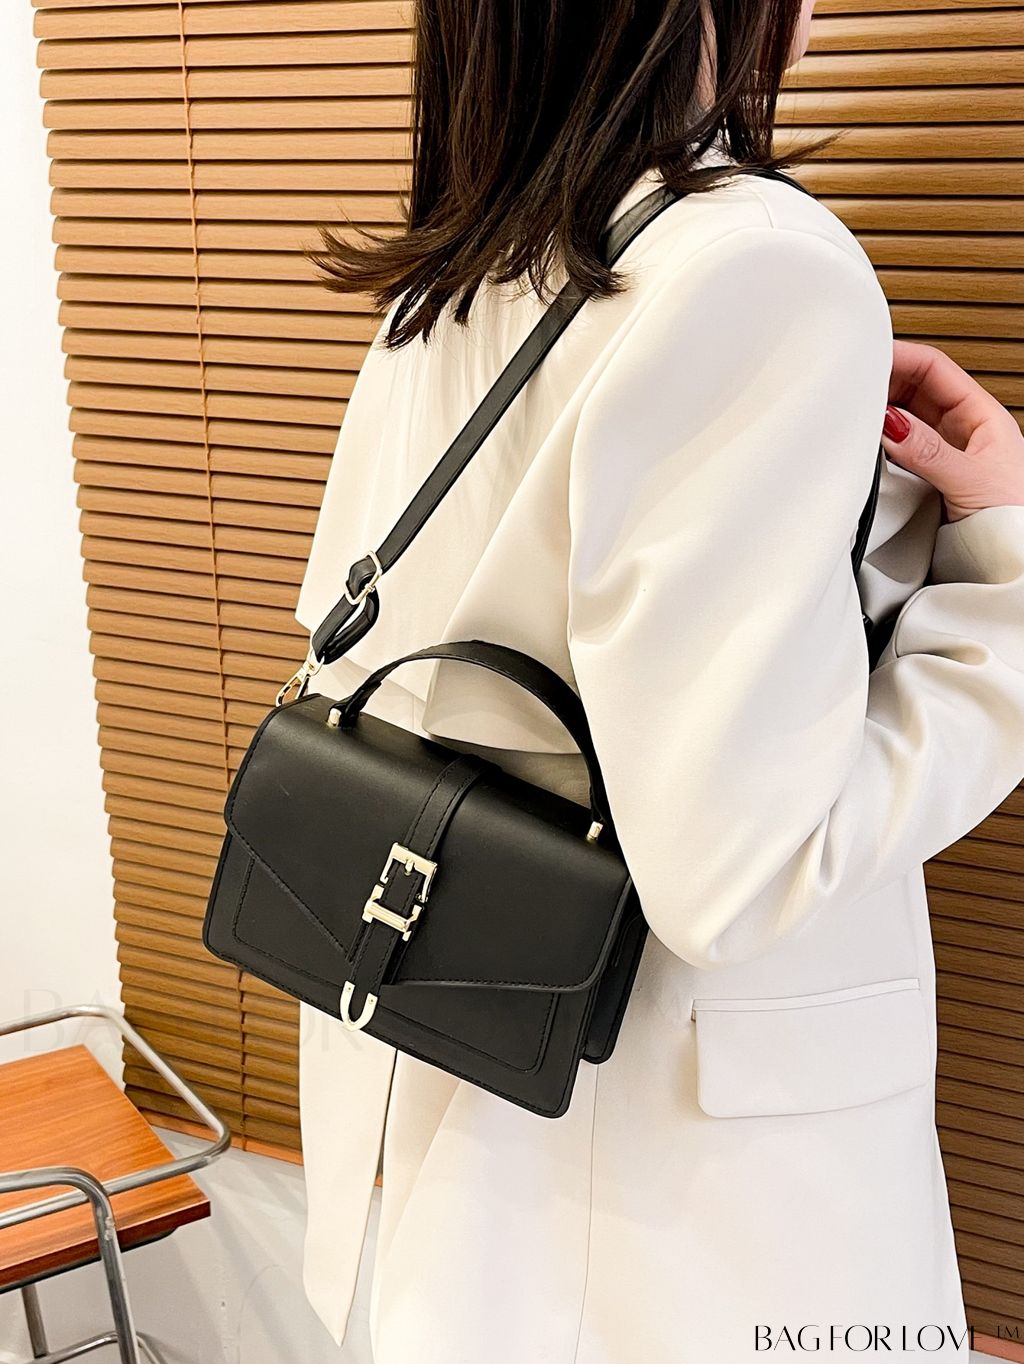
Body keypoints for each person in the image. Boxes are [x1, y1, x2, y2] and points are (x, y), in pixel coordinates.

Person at [291, 0, 1024, 1360]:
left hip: (465, 1144)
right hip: (675, 1219)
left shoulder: (459, 265)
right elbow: (741, 873)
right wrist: (1003, 588)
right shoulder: (757, 267)